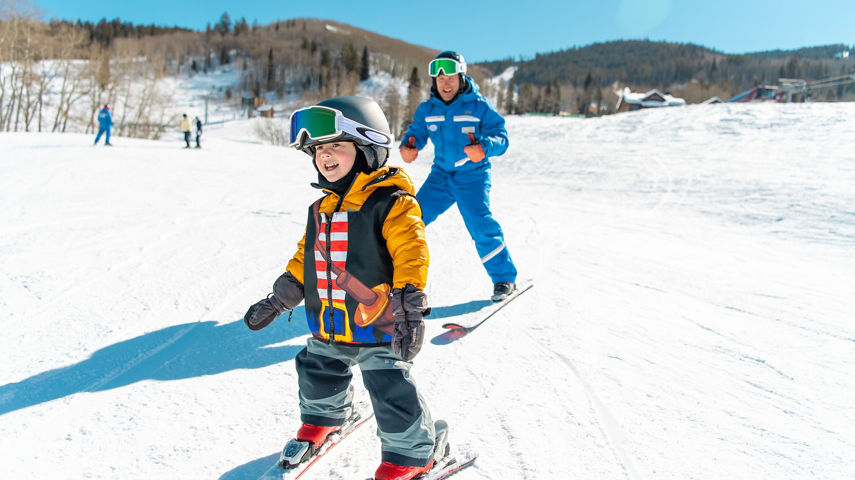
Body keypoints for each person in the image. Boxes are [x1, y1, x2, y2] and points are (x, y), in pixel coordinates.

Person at [242, 96, 440, 480]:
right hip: (330, 322)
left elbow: (411, 252)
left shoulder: (391, 202)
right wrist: (279, 299)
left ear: (367, 147)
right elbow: (305, 259)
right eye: (318, 150)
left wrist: (409, 306)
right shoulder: (321, 209)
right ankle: (325, 419)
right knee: (316, 368)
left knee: (389, 386)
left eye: (336, 145)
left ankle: (414, 453)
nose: (325, 156)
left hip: (377, 323)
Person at [399, 51, 517, 302]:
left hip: (472, 176)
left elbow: (502, 138)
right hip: (440, 176)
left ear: (462, 77)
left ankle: (504, 278)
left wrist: (484, 147)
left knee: (480, 224)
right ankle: (390, 276)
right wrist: (409, 147)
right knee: (411, 220)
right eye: (441, 79)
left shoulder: (479, 106)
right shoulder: (427, 109)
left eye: (451, 77)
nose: (446, 83)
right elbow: (415, 134)